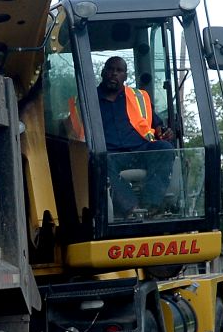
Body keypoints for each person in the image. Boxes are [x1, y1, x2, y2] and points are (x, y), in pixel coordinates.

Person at [70, 55, 176, 217]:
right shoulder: (85, 101)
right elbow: (75, 133)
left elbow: (157, 125)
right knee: (99, 160)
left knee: (164, 148)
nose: (114, 73)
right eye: (110, 70)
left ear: (125, 76)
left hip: (139, 151)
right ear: (103, 73)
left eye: (119, 71)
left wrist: (164, 131)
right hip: (108, 155)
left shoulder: (138, 98)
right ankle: (132, 208)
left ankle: (152, 205)